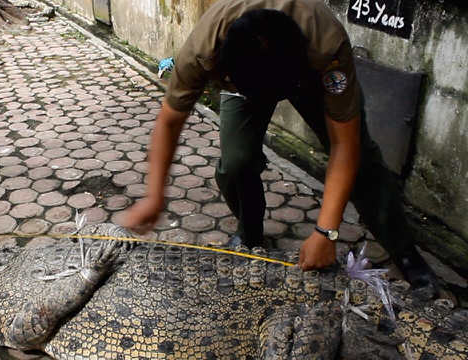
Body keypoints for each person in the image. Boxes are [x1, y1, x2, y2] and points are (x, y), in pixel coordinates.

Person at [123, 0, 438, 292]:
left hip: (304, 79)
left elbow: (345, 144)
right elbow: (169, 122)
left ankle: (404, 251)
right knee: (236, 161)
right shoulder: (203, 49)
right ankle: (249, 233)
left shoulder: (328, 44)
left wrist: (326, 232)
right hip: (246, 82)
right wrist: (154, 195)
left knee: (364, 162)